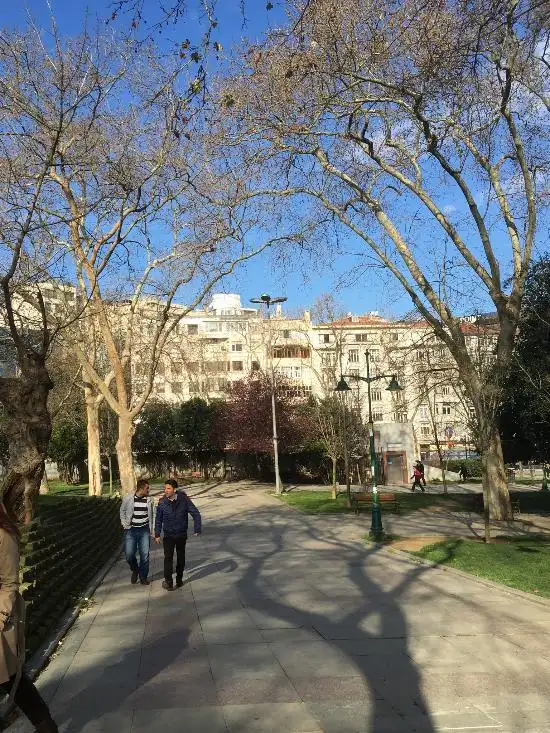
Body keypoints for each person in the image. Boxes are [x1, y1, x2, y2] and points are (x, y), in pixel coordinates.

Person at [0, 502, 59, 733]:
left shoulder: (4, 536)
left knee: (13, 681)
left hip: (2, 620)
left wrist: (1, 615)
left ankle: (46, 727)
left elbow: (10, 584)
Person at [154, 479, 201, 591]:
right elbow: (158, 519)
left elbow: (195, 513)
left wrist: (197, 528)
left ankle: (179, 579)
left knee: (181, 558)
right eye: (165, 488)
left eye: (168, 488)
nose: (166, 490)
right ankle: (169, 582)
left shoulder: (184, 500)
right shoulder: (162, 502)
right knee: (168, 558)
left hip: (181, 534)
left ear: (174, 490)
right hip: (168, 535)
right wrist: (157, 534)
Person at [120, 478, 154, 585]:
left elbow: (153, 514)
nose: (149, 490)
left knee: (145, 555)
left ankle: (143, 577)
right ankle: (135, 569)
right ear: (141, 488)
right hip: (131, 530)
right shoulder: (129, 498)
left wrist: (152, 530)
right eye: (147, 488)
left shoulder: (150, 500)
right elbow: (122, 510)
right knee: (129, 555)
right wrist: (124, 524)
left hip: (144, 530)